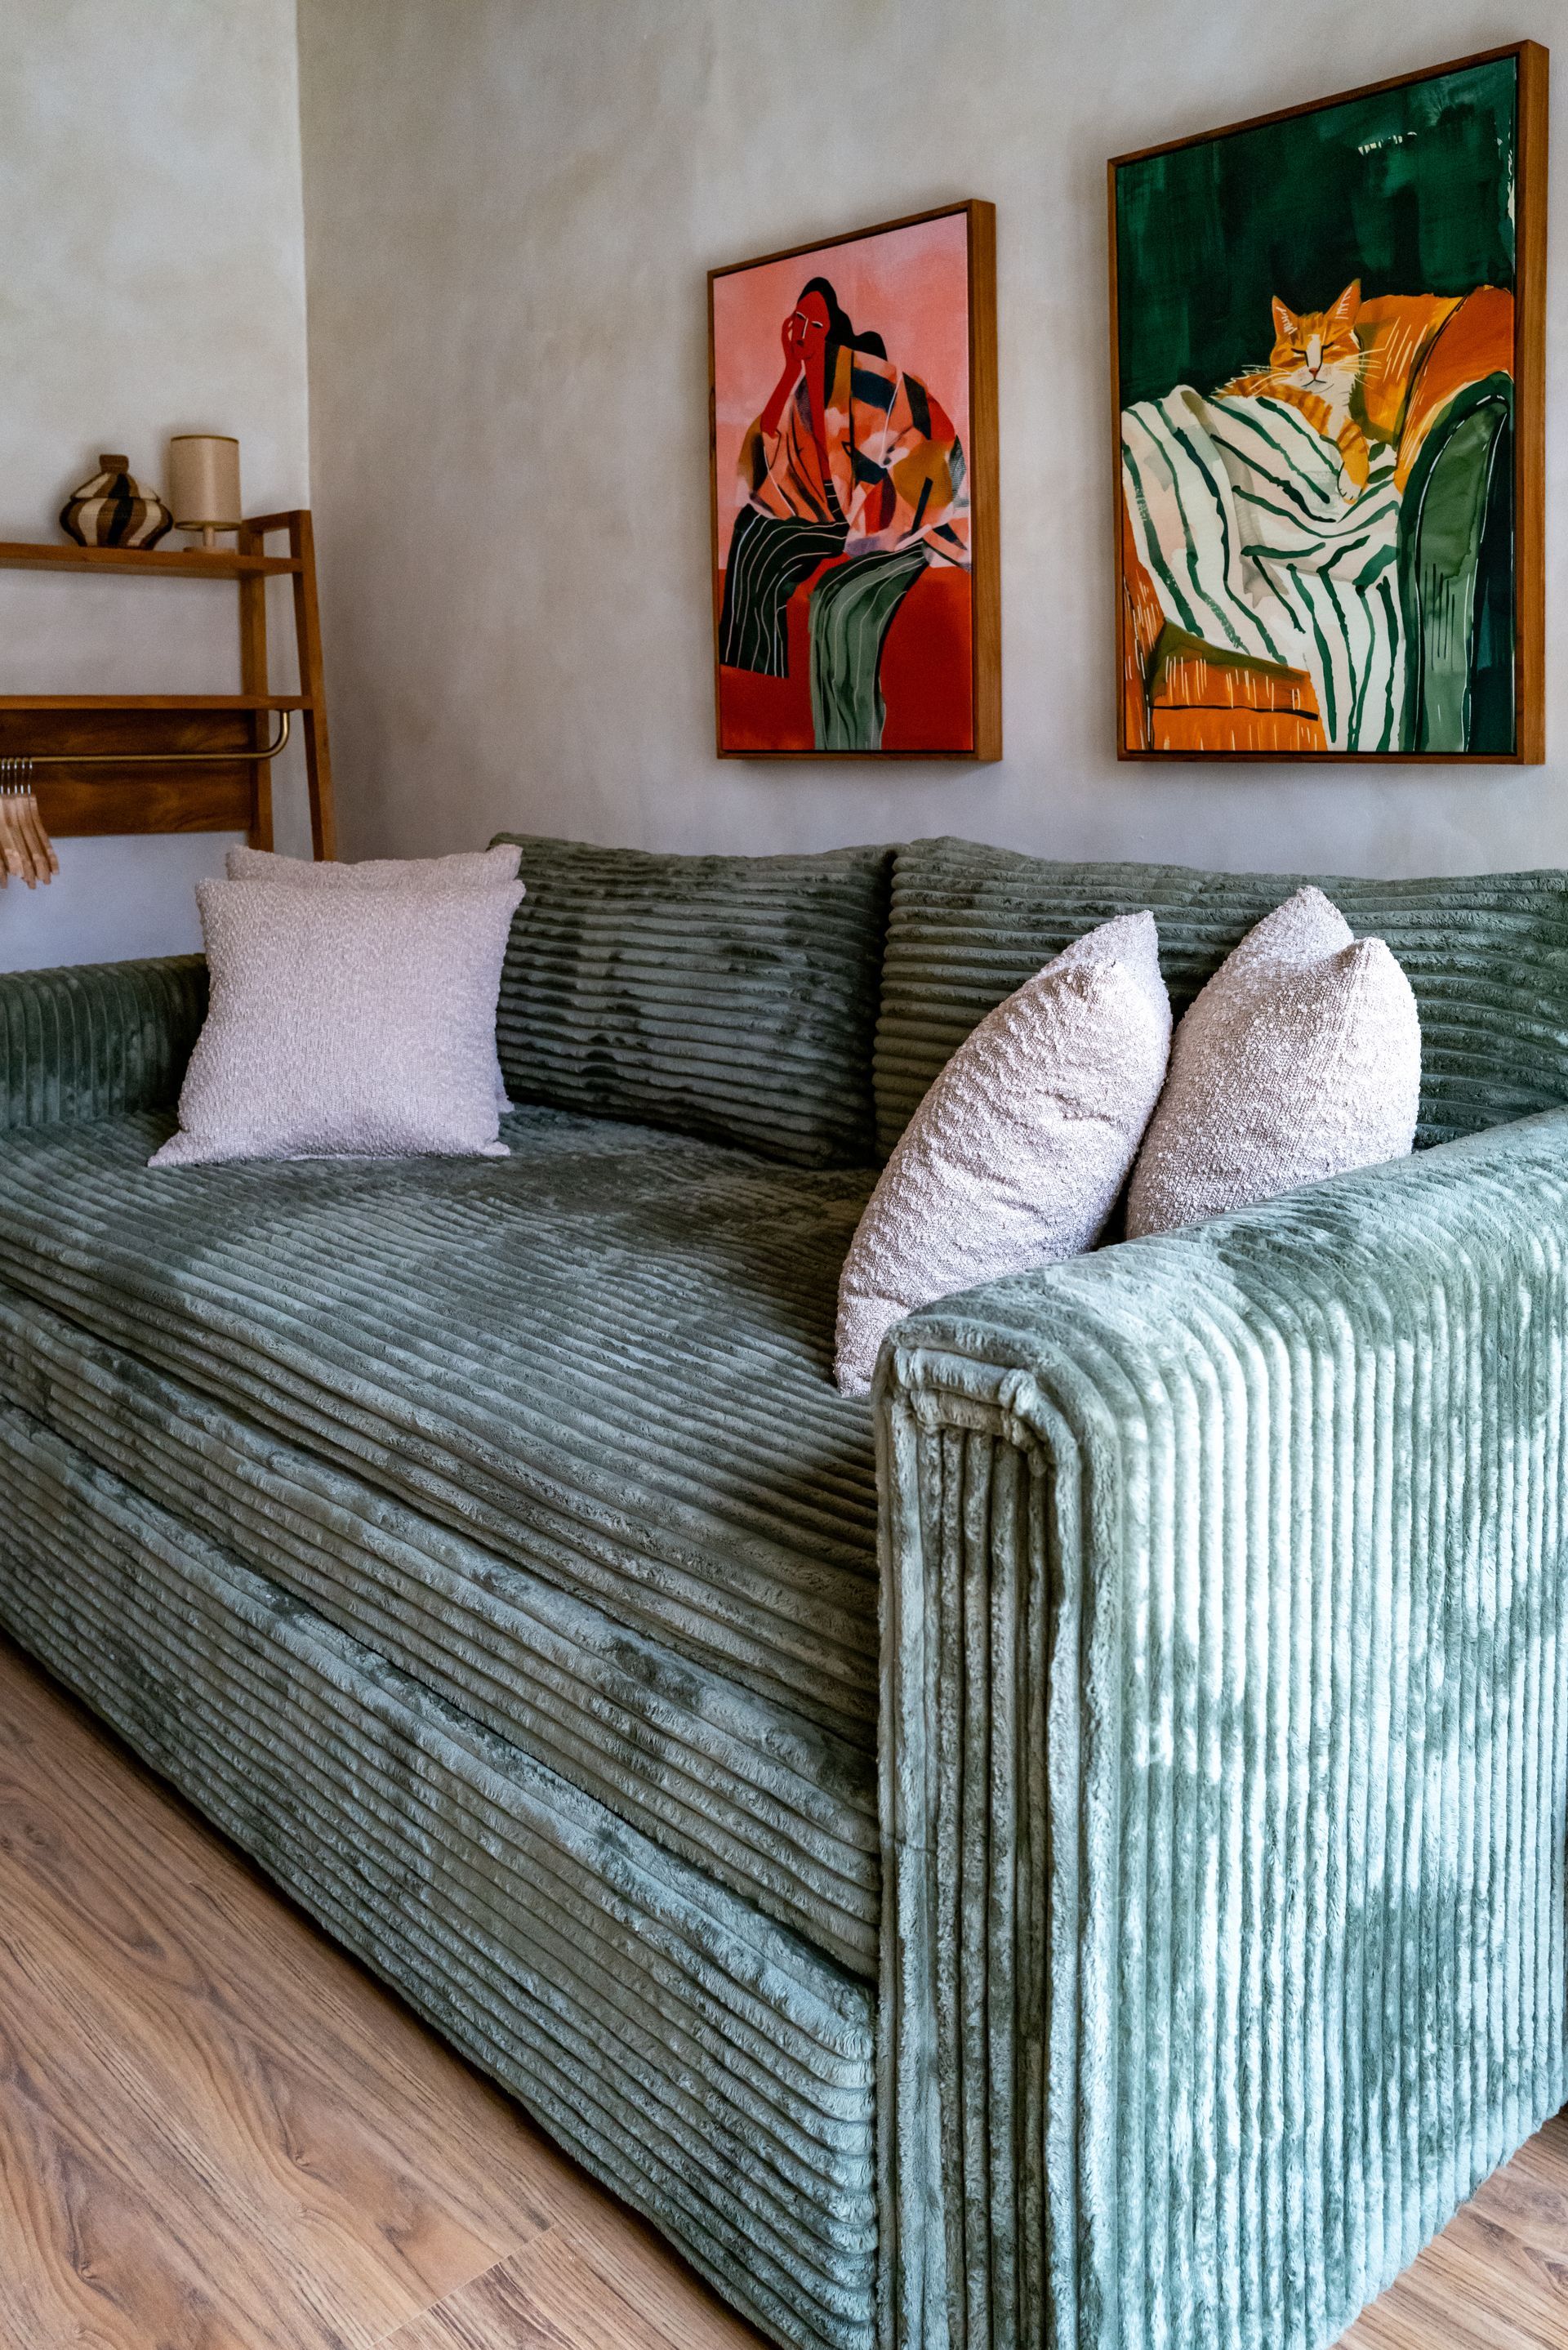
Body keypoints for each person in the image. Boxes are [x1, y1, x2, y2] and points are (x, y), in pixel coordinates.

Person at [719, 278, 969, 751]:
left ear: (830, 331)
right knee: (754, 537)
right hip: (840, 520)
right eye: (798, 320)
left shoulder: (870, 382)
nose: (803, 331)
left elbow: (929, 454)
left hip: (911, 521)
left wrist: (868, 533)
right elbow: (768, 461)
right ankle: (755, 680)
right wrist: (787, 371)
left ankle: (851, 742)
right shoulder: (800, 397)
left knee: (839, 603)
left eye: (815, 323)